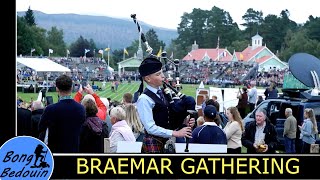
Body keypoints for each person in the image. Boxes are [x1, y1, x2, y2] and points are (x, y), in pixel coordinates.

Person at [136, 55, 192, 153]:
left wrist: (183, 122)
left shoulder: (164, 92)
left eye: (162, 72)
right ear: (148, 79)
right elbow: (150, 128)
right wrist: (175, 133)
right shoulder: (144, 99)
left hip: (166, 141)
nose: (163, 76)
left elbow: (167, 117)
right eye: (158, 74)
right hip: (153, 143)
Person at [39, 74, 86, 153]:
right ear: (71, 88)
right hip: (73, 151)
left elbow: (41, 128)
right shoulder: (81, 109)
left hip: (56, 152)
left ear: (57, 89)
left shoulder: (50, 109)